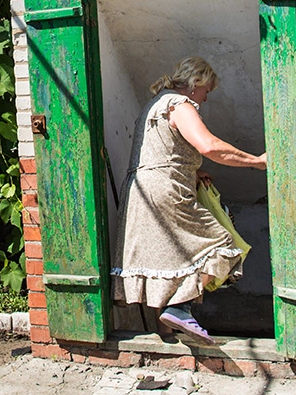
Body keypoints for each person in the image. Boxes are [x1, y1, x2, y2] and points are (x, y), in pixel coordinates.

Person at [110, 56, 266, 345]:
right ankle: (180, 307)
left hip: (139, 194)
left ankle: (168, 339)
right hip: (166, 192)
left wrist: (193, 171)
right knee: (223, 245)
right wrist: (256, 161)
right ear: (196, 84)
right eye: (207, 91)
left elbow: (162, 153)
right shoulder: (180, 105)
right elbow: (208, 145)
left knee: (165, 265)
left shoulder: (153, 105)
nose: (206, 99)